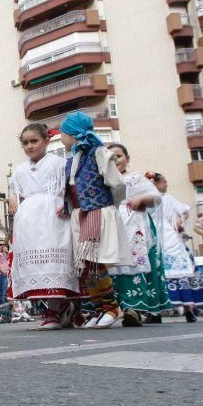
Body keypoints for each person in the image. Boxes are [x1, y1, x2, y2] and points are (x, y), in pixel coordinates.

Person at [59, 112, 130, 329]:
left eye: (63, 133)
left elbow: (117, 185)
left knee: (95, 262)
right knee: (87, 265)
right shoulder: (73, 159)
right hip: (81, 214)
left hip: (98, 212)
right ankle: (100, 308)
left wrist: (109, 208)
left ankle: (111, 307)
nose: (61, 137)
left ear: (73, 133)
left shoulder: (99, 153)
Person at [8, 123, 78, 330]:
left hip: (53, 215)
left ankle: (57, 311)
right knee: (36, 264)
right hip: (28, 219)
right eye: (25, 143)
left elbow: (70, 188)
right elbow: (14, 190)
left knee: (54, 263)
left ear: (46, 141)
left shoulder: (59, 163)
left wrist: (68, 205)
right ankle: (54, 310)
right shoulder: (20, 170)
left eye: (34, 141)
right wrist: (12, 197)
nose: (29, 146)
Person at [106, 144, 171, 326]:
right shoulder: (103, 178)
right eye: (110, 157)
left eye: (118, 155)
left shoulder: (135, 178)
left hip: (134, 226)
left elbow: (155, 197)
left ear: (128, 158)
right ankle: (109, 309)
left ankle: (132, 309)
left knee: (132, 263)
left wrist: (141, 198)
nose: (115, 160)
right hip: (110, 224)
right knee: (112, 264)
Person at [150, 173, 203, 322]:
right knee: (180, 271)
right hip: (167, 234)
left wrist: (176, 223)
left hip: (157, 233)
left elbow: (185, 212)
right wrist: (176, 223)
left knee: (159, 270)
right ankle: (188, 309)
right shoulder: (165, 199)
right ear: (155, 183)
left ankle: (156, 312)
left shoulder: (159, 199)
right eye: (164, 182)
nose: (166, 185)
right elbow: (185, 212)